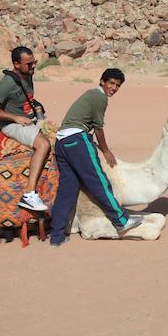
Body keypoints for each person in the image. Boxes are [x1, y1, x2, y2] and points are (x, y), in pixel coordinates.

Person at [48, 68, 144, 246]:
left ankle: (57, 236)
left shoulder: (90, 94)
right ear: (102, 81)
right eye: (111, 83)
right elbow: (98, 127)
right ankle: (121, 220)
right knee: (98, 181)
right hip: (77, 139)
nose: (114, 88)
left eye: (118, 86)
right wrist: (106, 150)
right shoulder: (100, 96)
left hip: (62, 142)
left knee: (67, 190)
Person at [0, 46, 51, 212]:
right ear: (16, 64)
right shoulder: (8, 83)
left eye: (34, 62)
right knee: (43, 145)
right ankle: (29, 194)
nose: (33, 66)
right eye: (28, 64)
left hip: (27, 119)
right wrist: (15, 117)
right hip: (12, 124)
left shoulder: (28, 75)